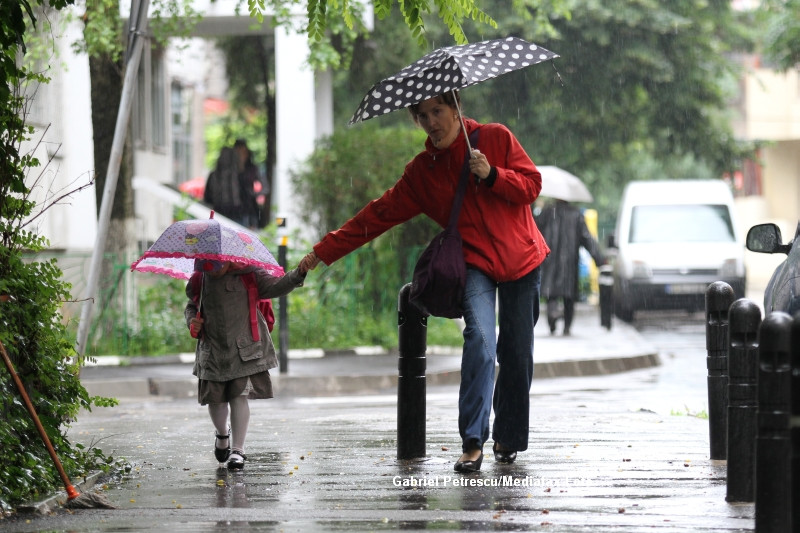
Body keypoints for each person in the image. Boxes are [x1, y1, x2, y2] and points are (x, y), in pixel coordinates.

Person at [299, 90, 549, 473]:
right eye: (422, 115)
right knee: (481, 342)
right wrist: (323, 251)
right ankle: (473, 442)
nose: (431, 122)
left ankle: (508, 436)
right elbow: (376, 215)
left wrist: (493, 175)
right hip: (475, 264)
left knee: (516, 354)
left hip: (522, 258)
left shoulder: (495, 138)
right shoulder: (423, 173)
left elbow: (532, 185)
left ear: (456, 107)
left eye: (438, 111)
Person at [185, 259, 307, 469]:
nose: (212, 270)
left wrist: (299, 273)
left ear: (228, 259)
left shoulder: (249, 274)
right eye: (206, 265)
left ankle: (238, 450)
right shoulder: (199, 280)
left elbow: (277, 286)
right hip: (212, 350)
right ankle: (222, 433)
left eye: (216, 265)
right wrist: (192, 321)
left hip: (243, 348)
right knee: (215, 401)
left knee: (239, 396)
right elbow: (191, 306)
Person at [535, 199, 605, 336]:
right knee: (569, 297)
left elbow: (535, 232)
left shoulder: (547, 212)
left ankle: (552, 316)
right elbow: (587, 238)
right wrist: (600, 259)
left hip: (550, 260)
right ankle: (567, 326)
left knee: (551, 294)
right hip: (569, 262)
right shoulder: (576, 215)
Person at [233, 139, 263, 228]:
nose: (241, 155)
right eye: (238, 153)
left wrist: (253, 193)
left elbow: (265, 187)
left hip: (249, 209)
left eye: (243, 152)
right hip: (232, 210)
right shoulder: (229, 170)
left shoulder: (252, 169)